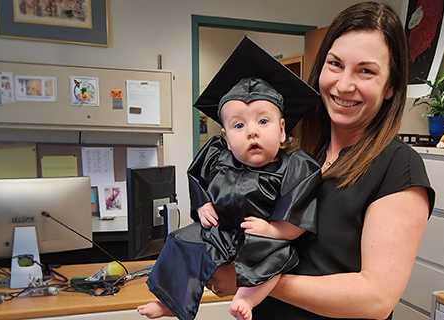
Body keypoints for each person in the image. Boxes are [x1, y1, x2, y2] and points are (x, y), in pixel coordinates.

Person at [206, 2, 436, 320]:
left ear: (390, 87)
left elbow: (376, 298)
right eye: (335, 64)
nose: (343, 85)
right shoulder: (301, 156)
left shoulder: (397, 167)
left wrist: (253, 280)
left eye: (366, 71)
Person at [137, 37, 322, 320]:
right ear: (225, 137)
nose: (252, 131)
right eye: (239, 125)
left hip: (261, 237)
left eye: (263, 121)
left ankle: (247, 298)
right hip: (221, 233)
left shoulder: (295, 167)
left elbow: (299, 220)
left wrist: (273, 231)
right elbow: (196, 178)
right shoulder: (216, 157)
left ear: (282, 130)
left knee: (277, 258)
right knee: (181, 239)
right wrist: (202, 205)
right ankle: (170, 301)